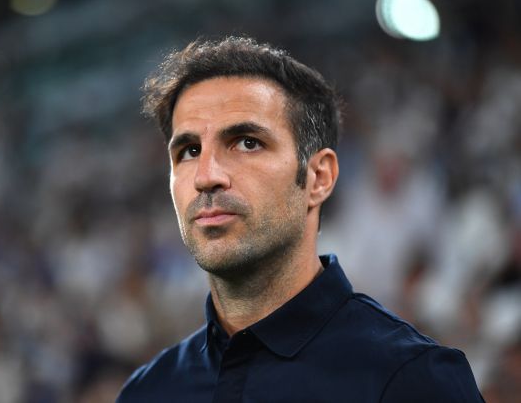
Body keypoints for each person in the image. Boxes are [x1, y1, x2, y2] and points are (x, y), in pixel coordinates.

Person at [116, 37, 484, 402]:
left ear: (318, 178)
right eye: (189, 151)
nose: (206, 176)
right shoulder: (146, 392)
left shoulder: (414, 379)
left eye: (247, 142)